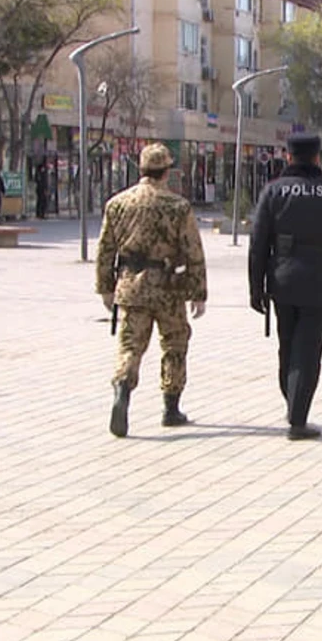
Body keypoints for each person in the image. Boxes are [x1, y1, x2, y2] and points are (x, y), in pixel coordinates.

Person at [249, 133, 322, 441]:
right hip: (319, 279)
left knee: (287, 346)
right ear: (316, 158)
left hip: (282, 279)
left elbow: (258, 243)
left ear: (288, 157)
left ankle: (293, 405)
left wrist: (255, 287)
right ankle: (298, 418)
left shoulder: (273, 191)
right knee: (308, 351)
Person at [95, 144, 207, 438]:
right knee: (174, 343)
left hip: (131, 285)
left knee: (130, 344)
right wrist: (198, 292)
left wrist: (105, 288)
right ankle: (171, 407)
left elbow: (105, 249)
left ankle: (122, 388)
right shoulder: (178, 206)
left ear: (141, 170)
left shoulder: (118, 204)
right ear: (166, 172)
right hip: (169, 287)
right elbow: (193, 250)